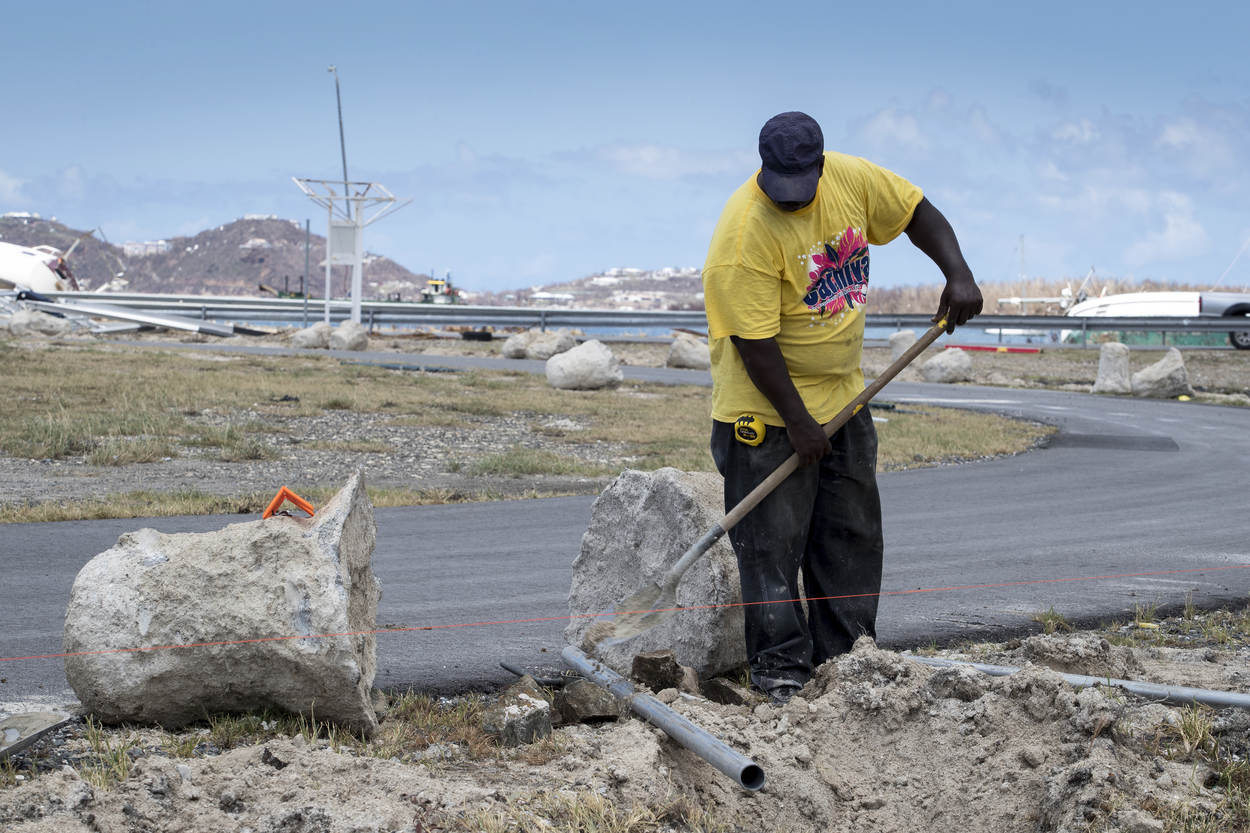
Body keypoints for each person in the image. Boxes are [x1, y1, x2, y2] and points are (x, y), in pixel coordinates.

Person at [702, 111, 983, 704]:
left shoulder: (852, 180)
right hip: (766, 414)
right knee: (772, 552)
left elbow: (918, 212)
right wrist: (800, 425)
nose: (789, 198)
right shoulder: (743, 235)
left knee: (850, 537)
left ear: (821, 165)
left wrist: (957, 273)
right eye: (779, 186)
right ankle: (781, 676)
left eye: (801, 186)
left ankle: (848, 663)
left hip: (845, 399)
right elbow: (755, 345)